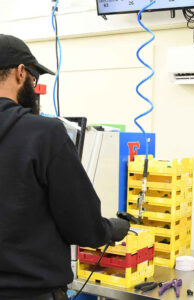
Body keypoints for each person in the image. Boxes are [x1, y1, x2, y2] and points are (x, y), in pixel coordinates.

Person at [0, 34, 129, 299]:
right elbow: (82, 225)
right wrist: (110, 229)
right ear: (20, 73)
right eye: (34, 79)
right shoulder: (43, 134)